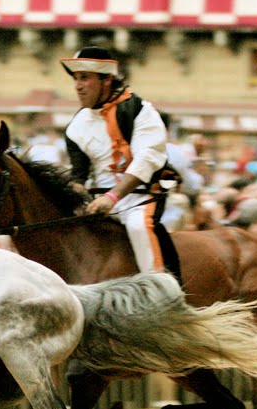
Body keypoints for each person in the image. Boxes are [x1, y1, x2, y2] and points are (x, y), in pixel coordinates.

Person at [59, 46, 180, 280]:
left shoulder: (140, 110)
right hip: (99, 200)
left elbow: (147, 160)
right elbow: (79, 175)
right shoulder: (76, 126)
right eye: (75, 79)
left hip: (141, 196)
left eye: (85, 78)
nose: (78, 85)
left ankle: (163, 293)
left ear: (106, 80)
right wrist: (76, 195)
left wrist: (112, 197)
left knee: (138, 227)